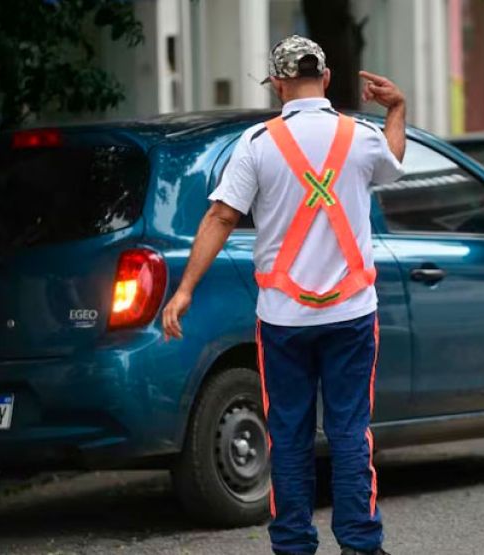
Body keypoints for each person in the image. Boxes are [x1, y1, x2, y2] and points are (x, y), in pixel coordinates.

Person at [162, 35, 406, 555]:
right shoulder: (359, 137)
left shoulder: (256, 145)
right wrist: (397, 110)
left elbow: (221, 216)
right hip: (351, 314)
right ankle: (361, 545)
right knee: (348, 431)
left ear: (277, 85)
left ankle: (294, 545)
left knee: (289, 436)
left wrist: (183, 291)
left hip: (283, 320)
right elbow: (392, 161)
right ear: (327, 77)